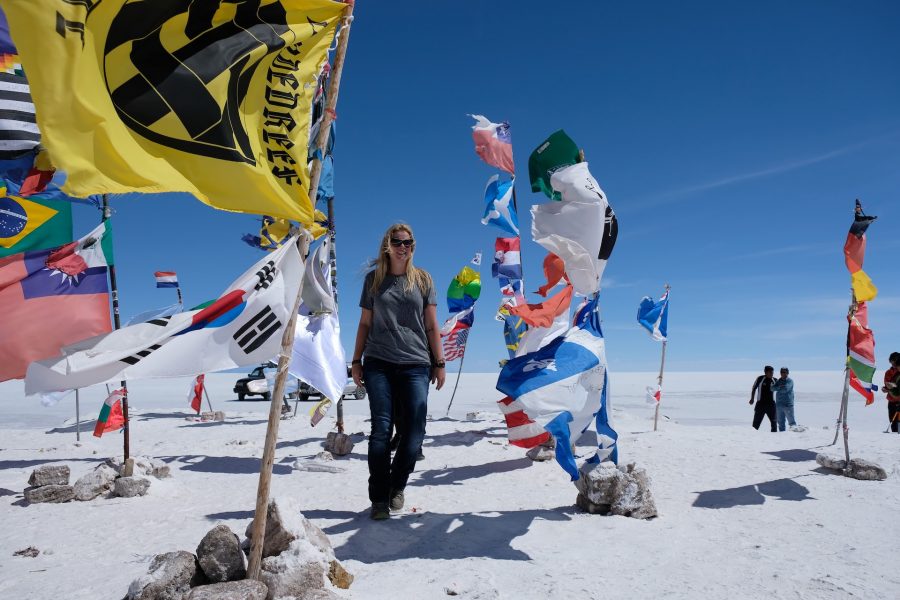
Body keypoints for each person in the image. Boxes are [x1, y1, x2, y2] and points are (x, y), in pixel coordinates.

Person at [351, 223, 446, 520]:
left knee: (414, 433)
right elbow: (365, 324)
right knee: (381, 430)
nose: (404, 246)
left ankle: (397, 486)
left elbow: (431, 325)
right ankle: (379, 498)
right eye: (398, 241)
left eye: (409, 242)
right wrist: (356, 361)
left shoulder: (422, 280)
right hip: (378, 361)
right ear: (387, 245)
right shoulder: (374, 281)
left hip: (416, 363)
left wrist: (439, 362)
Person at [749, 366, 777, 432]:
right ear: (765, 372)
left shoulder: (775, 380)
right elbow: (754, 388)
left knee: (774, 424)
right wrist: (752, 398)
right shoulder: (760, 378)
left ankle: (774, 438)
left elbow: (781, 389)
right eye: (770, 372)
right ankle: (752, 438)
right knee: (755, 425)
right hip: (760, 404)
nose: (772, 374)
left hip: (771, 405)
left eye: (772, 372)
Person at [772, 367, 799, 432]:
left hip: (788, 405)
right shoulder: (779, 380)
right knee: (780, 423)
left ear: (787, 373)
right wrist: (780, 387)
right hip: (779, 405)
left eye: (784, 372)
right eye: (781, 372)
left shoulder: (790, 381)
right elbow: (772, 388)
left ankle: (794, 436)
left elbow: (785, 389)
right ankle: (782, 437)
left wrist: (778, 388)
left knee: (791, 422)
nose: (782, 373)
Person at [883, 352, 900, 433]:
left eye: (894, 361)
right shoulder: (888, 372)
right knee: (893, 423)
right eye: (891, 361)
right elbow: (887, 384)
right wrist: (886, 388)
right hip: (892, 401)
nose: (893, 363)